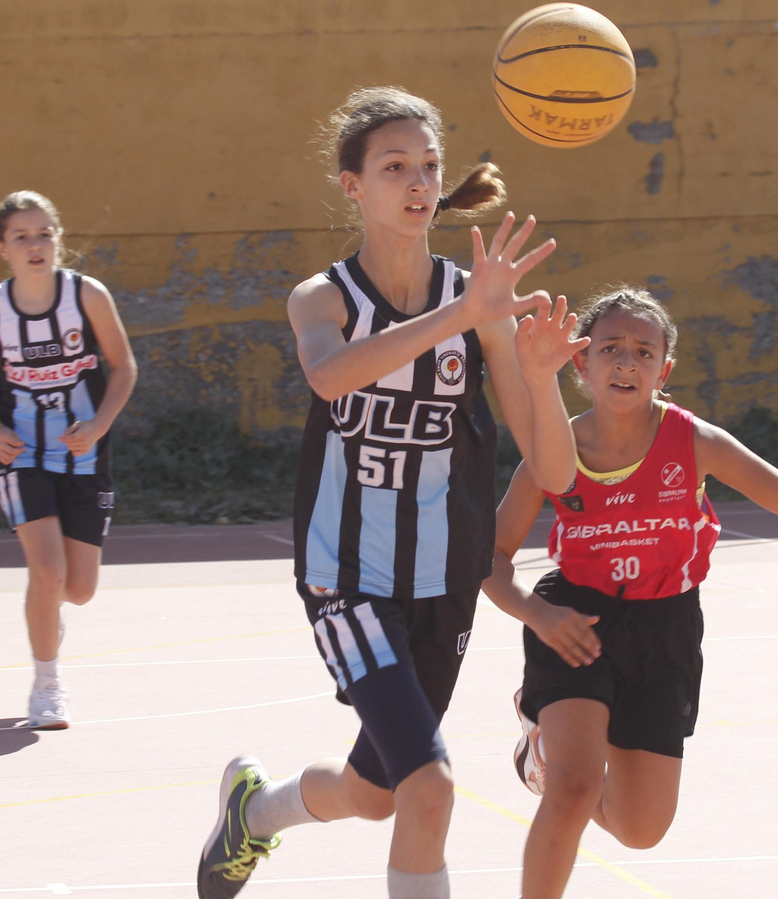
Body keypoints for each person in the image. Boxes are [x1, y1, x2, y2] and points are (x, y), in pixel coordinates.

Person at [195, 86, 577, 899]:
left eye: (429, 166)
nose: (418, 182)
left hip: (445, 580)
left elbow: (553, 472)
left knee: (377, 792)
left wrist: (541, 376)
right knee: (429, 785)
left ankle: (253, 814)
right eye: (395, 166)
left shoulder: (476, 303)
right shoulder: (324, 297)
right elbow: (331, 375)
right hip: (349, 577)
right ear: (353, 185)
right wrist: (464, 315)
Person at [483, 287, 778, 899]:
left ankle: (540, 761)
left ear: (664, 371)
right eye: (610, 348)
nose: (626, 361)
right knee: (576, 788)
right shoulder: (554, 450)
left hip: (667, 628)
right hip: (574, 620)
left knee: (641, 830)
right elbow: (491, 556)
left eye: (643, 351)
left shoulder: (694, 441)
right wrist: (535, 613)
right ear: (581, 363)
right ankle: (559, 763)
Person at [0, 191, 137, 730]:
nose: (34, 245)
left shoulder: (87, 296)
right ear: (2, 247)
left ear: (58, 239)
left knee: (77, 590)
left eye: (43, 234)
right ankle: (46, 688)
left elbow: (124, 367)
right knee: (48, 570)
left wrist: (98, 425)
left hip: (83, 454)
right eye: (21, 237)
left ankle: (47, 612)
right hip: (23, 455)